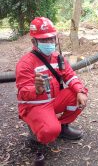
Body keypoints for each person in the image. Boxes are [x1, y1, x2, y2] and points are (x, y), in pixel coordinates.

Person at [16, 17, 88, 145]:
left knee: (79, 95)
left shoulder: (57, 58)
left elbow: (71, 76)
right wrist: (36, 90)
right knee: (49, 132)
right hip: (36, 105)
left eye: (51, 38)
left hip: (54, 100)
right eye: (44, 39)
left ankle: (62, 126)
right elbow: (23, 93)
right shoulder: (26, 63)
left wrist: (80, 90)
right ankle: (38, 129)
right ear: (34, 41)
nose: (49, 42)